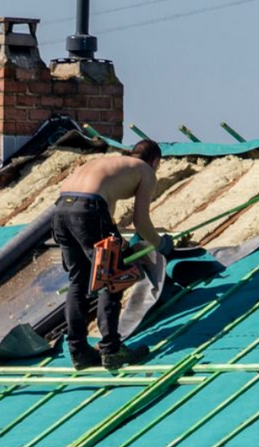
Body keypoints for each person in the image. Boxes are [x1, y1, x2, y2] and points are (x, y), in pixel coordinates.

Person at [52, 139, 173, 370]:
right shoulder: (145, 171)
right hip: (89, 210)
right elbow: (141, 222)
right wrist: (162, 244)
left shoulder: (108, 163)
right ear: (155, 161)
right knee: (111, 278)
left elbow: (105, 219)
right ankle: (111, 349)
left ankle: (79, 352)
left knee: (79, 280)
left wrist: (121, 247)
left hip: (61, 211)